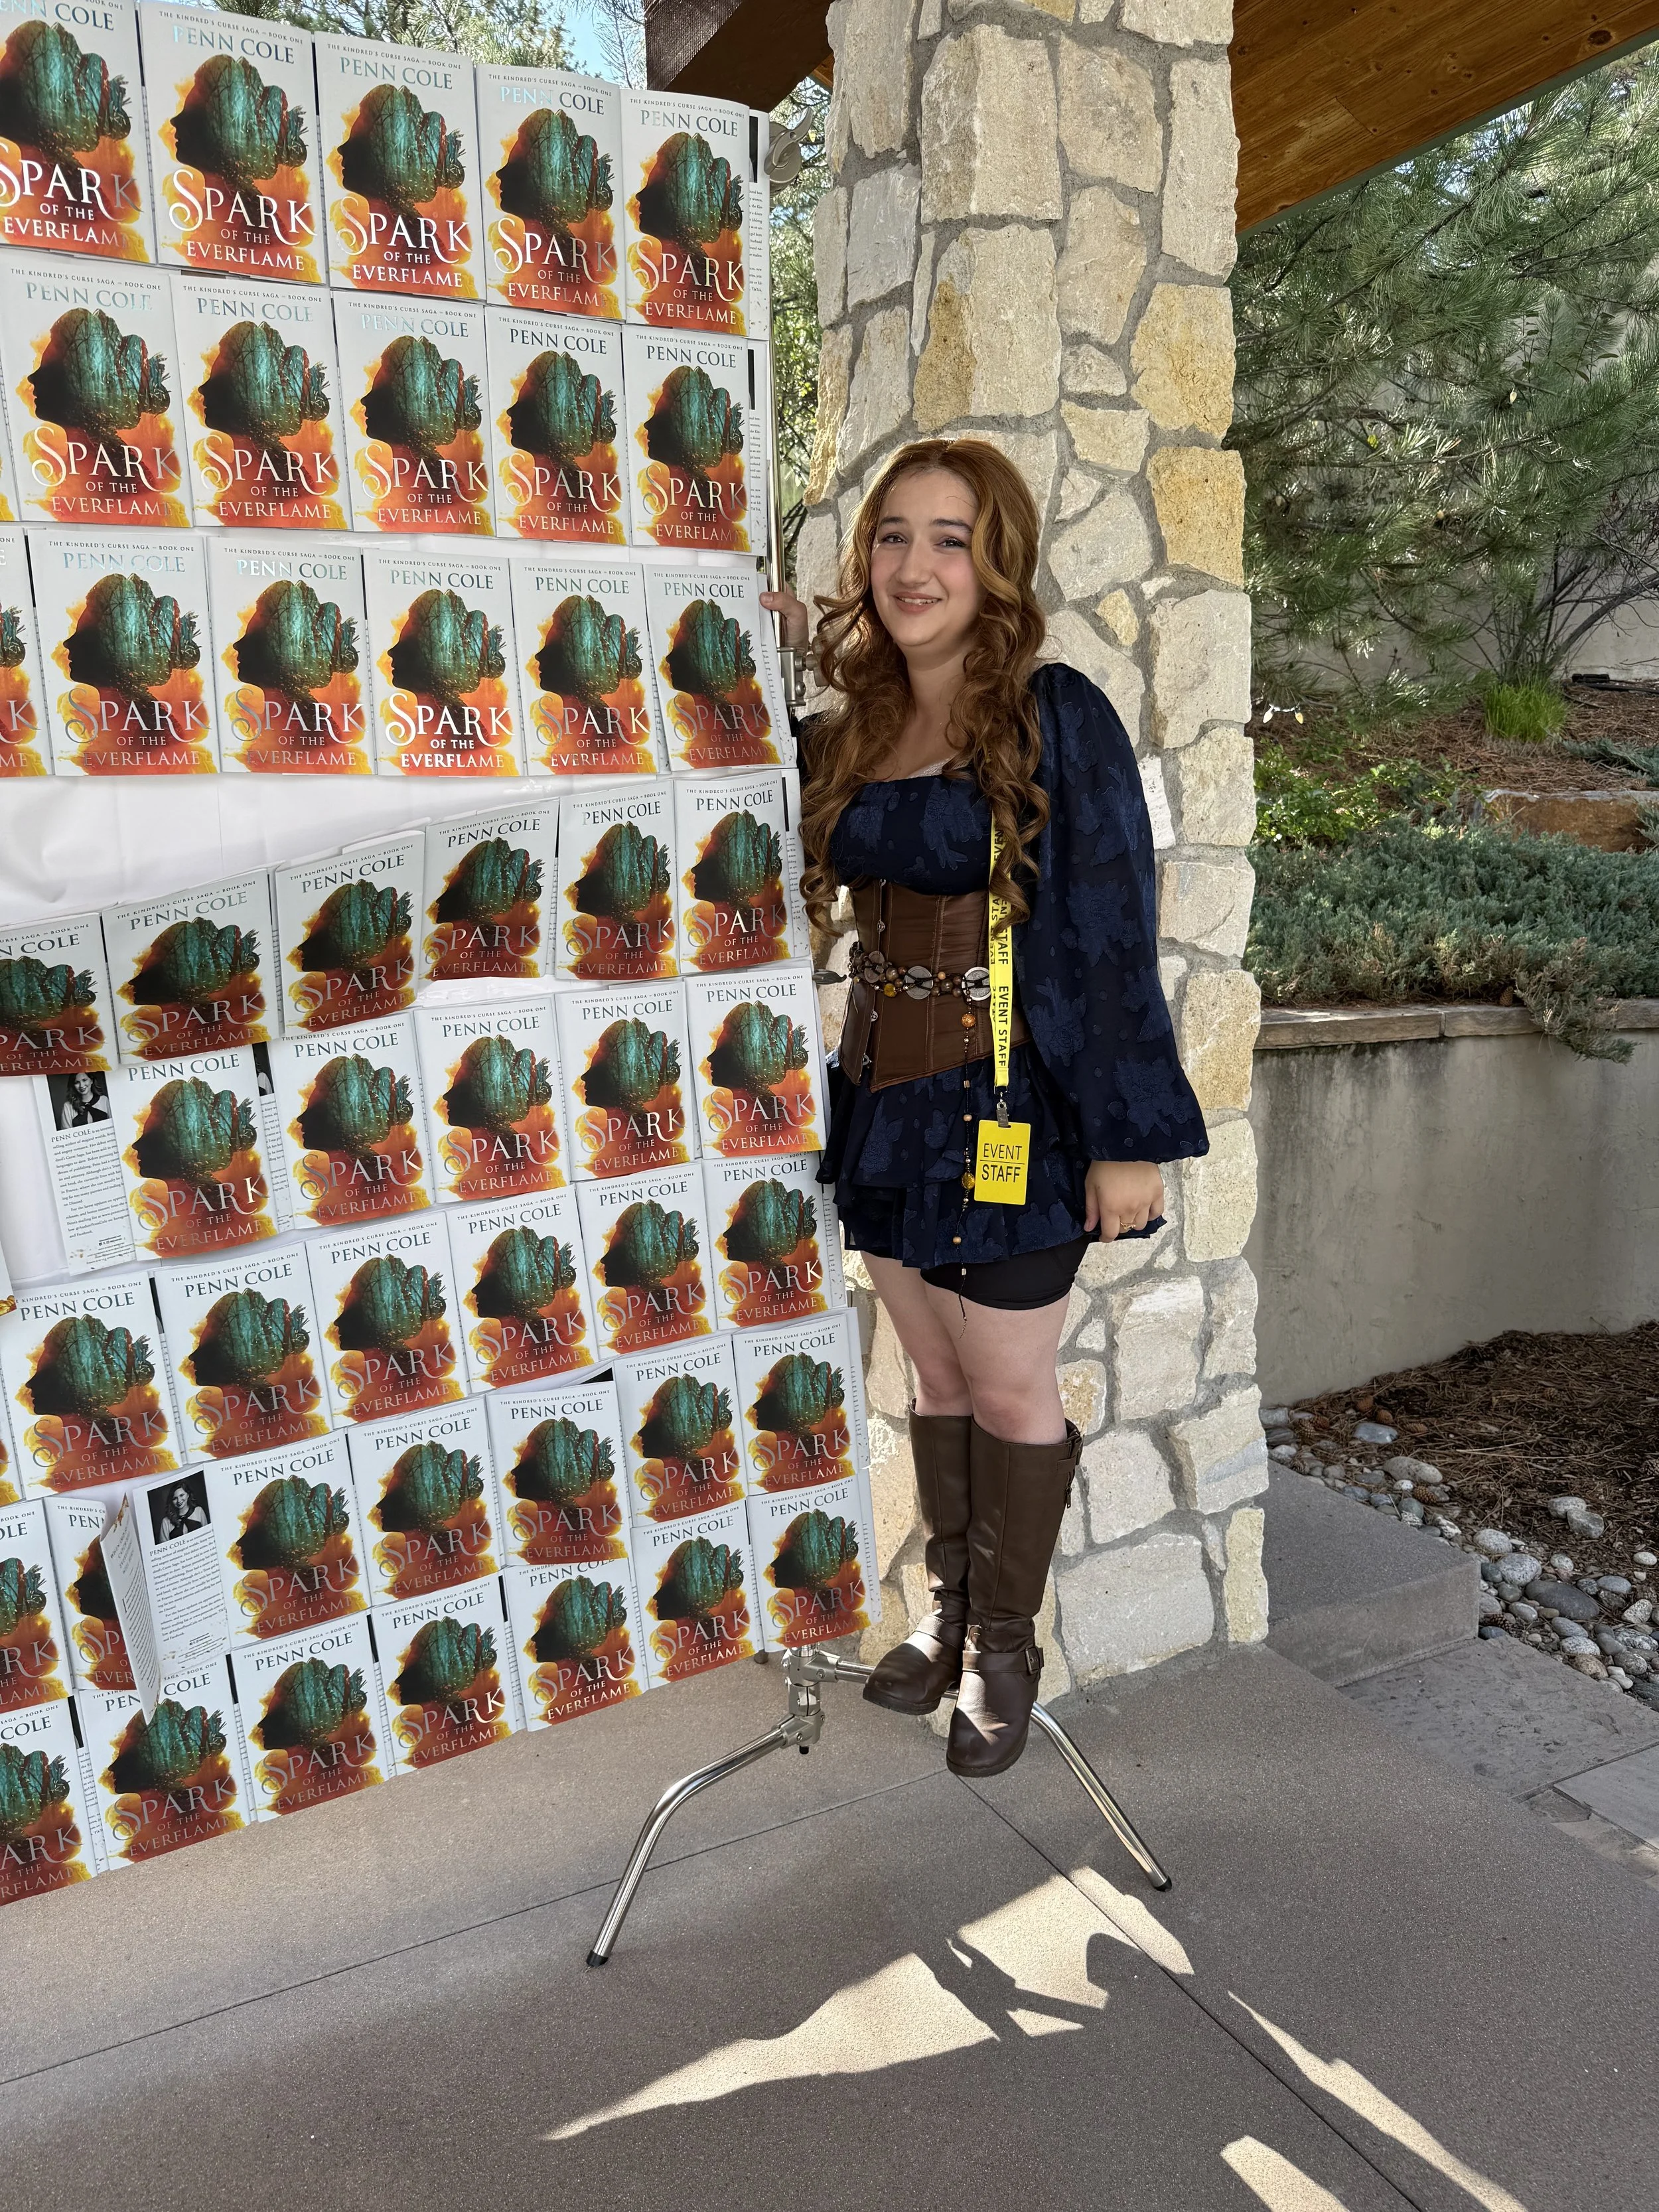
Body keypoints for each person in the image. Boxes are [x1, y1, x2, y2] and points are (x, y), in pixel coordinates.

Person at [761, 437, 1209, 1778]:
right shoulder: (853, 728)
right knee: (938, 1374)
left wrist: (1128, 1134)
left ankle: (1004, 1653)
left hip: (1015, 1102)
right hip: (885, 1104)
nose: (913, 566)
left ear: (994, 560)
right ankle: (948, 1622)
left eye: (947, 538)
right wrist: (742, 651)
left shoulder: (1050, 711)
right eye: (890, 537)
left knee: (1010, 1385)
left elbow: (1109, 921)